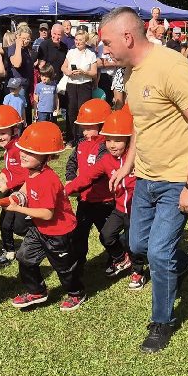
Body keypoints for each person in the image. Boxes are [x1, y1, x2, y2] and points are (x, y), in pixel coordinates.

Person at [100, 6, 188, 353]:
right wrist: (128, 165)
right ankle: (183, 263)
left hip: (176, 180)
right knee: (138, 246)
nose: (104, 49)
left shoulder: (171, 66)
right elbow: (141, 123)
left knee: (158, 252)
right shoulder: (130, 73)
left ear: (127, 37)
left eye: (107, 42)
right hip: (145, 178)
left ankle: (161, 322)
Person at [2, 121, 85, 311]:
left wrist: (18, 209)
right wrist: (17, 196)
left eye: (30, 152)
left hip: (59, 232)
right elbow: (26, 186)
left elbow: (47, 214)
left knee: (64, 268)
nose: (23, 154)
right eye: (23, 150)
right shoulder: (31, 171)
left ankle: (76, 293)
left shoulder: (48, 180)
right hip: (39, 228)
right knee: (24, 257)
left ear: (46, 157)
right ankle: (37, 291)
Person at [65, 108, 144, 284]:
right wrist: (67, 190)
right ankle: (121, 258)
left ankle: (138, 272)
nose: (112, 145)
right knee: (106, 235)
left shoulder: (138, 158)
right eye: (108, 140)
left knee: (134, 243)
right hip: (119, 209)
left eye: (118, 140)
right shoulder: (106, 160)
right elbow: (87, 176)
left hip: (137, 210)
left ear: (129, 139)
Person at [64, 99, 112, 279]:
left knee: (107, 235)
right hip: (84, 200)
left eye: (88, 128)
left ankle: (116, 257)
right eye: (82, 128)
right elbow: (71, 162)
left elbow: (96, 174)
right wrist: (70, 178)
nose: (84, 132)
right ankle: (78, 263)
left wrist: (75, 186)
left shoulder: (106, 147)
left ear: (102, 125)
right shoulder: (82, 144)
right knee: (79, 234)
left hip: (103, 201)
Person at [0, 105, 29, 266]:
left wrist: (9, 184)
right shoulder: (8, 148)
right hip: (11, 190)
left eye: (3, 133)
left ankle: (40, 238)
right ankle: (9, 251)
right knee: (4, 223)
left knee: (19, 227)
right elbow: (10, 168)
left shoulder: (18, 149)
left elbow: (27, 174)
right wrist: (3, 172)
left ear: (14, 130)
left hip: (21, 192)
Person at [61, 32, 98, 146]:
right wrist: (68, 72)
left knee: (83, 111)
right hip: (71, 84)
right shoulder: (71, 52)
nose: (77, 42)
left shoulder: (91, 54)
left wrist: (84, 72)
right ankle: (71, 139)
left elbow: (94, 73)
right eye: (76, 39)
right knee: (71, 111)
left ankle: (82, 138)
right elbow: (63, 67)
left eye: (80, 40)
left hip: (85, 85)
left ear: (85, 41)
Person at [5, 25, 34, 121]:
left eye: (28, 39)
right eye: (23, 38)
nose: (26, 41)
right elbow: (17, 63)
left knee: (26, 113)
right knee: (19, 114)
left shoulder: (26, 50)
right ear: (18, 37)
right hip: (17, 87)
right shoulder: (13, 48)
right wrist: (18, 44)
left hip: (26, 85)